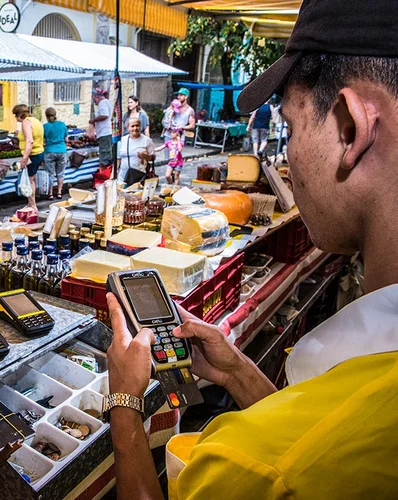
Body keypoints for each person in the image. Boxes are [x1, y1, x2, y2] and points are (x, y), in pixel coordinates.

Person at [105, 0, 398, 498]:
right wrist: (236, 370)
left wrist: (124, 405)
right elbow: (307, 425)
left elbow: (289, 455)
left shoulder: (261, 467)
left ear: (350, 126)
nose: (288, 160)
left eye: (288, 127)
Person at [13, 104, 45, 210]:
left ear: (19, 115)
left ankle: (33, 206)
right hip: (39, 152)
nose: (15, 118)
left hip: (32, 154)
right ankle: (31, 204)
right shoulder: (34, 120)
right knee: (31, 179)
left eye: (15, 115)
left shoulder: (26, 122)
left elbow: (30, 141)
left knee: (29, 181)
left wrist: (25, 158)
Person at [117, 117, 154, 186]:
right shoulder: (123, 140)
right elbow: (118, 159)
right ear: (128, 128)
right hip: (122, 179)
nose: (135, 128)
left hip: (139, 179)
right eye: (132, 126)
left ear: (140, 126)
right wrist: (113, 175)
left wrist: (145, 156)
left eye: (137, 125)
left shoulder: (147, 140)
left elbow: (152, 158)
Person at [43, 107, 69, 200]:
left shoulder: (45, 126)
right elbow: (66, 140)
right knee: (60, 173)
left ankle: (50, 194)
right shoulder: (62, 125)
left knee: (50, 174)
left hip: (49, 151)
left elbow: (44, 140)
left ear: (46, 116)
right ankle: (59, 193)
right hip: (62, 151)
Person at [90, 88, 113, 167]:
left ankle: (104, 173)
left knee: (105, 155)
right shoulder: (107, 102)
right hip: (108, 132)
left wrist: (93, 120)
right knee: (109, 154)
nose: (94, 102)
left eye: (94, 99)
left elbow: (104, 115)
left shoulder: (102, 103)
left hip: (105, 133)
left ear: (97, 97)